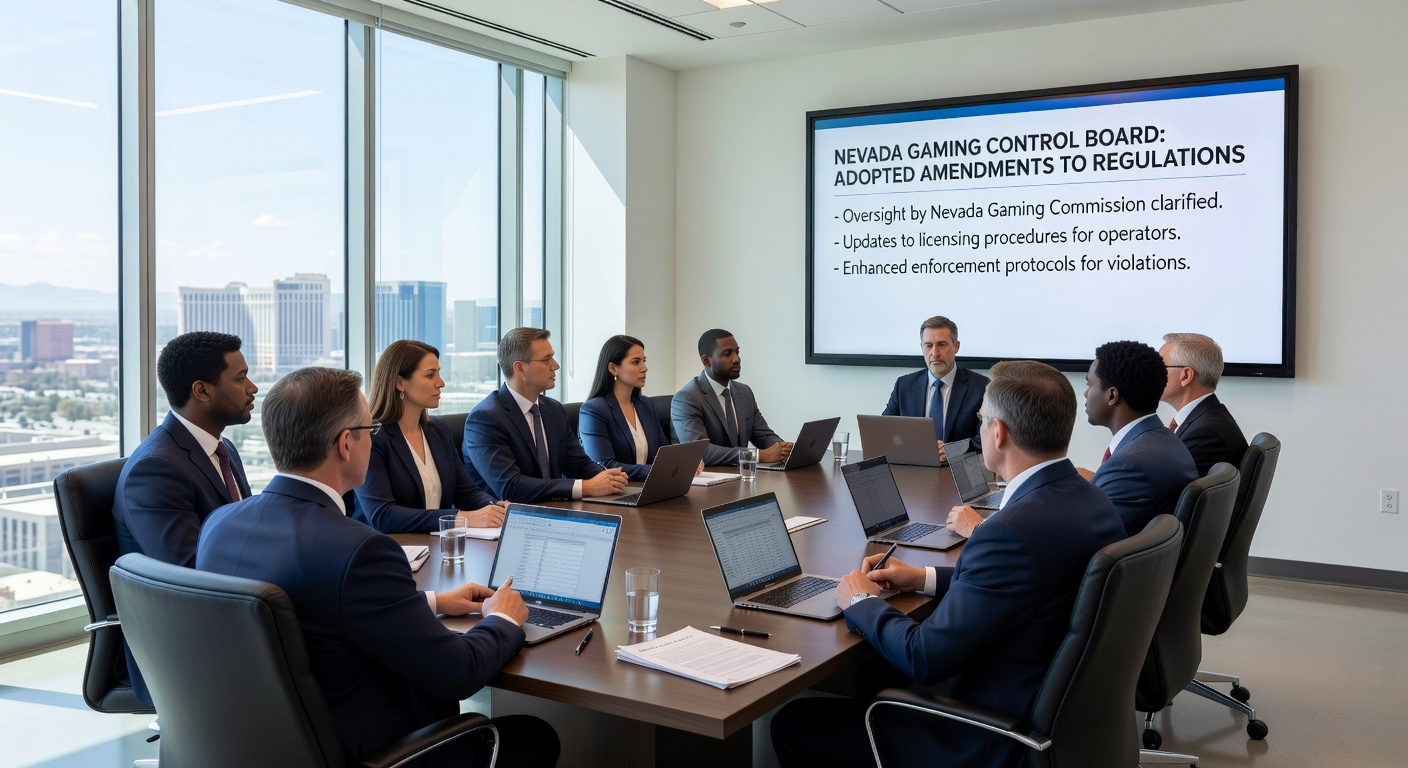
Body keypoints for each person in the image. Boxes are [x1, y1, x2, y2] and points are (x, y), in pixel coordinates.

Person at [196, 367, 558, 768]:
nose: (375, 440)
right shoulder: (360, 550)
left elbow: (315, 609)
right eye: (369, 430)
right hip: (374, 751)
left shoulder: (220, 525)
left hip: (262, 747)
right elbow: (459, 672)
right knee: (536, 735)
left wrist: (433, 601)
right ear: (345, 444)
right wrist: (502, 620)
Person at [771, 361, 1125, 768]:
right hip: (1051, 703)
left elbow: (924, 655)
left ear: (999, 432)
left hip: (986, 735)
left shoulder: (1008, 532)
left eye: (982, 419)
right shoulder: (1092, 499)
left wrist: (860, 602)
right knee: (872, 676)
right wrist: (922, 578)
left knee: (794, 723)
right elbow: (1031, 578)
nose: (979, 427)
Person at [113, 331, 256, 705]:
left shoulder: (222, 450)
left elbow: (246, 536)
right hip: (187, 644)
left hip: (236, 615)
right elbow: (191, 575)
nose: (253, 388)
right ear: (202, 391)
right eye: (240, 378)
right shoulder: (157, 468)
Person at [353, 339, 505, 533]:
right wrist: (458, 518)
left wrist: (496, 508)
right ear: (400, 382)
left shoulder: (438, 429)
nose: (441, 383)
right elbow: (383, 515)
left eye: (439, 373)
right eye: (430, 375)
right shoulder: (372, 438)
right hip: (390, 552)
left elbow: (466, 492)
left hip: (437, 546)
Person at [462, 327, 628, 502]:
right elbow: (511, 487)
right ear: (520, 368)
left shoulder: (553, 409)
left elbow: (578, 465)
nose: (555, 365)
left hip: (554, 511)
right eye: (546, 359)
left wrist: (608, 478)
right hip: (506, 520)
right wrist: (586, 487)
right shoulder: (485, 419)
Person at [1076, 340, 1199, 536]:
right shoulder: (1165, 438)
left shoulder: (1130, 465)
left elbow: (1087, 538)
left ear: (1112, 395)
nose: (1085, 393)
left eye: (1089, 385)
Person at [579, 335, 700, 480]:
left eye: (644, 361)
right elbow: (605, 465)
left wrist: (685, 461)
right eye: (636, 362)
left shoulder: (645, 404)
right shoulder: (593, 410)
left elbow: (664, 451)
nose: (644, 368)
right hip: (613, 494)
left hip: (649, 489)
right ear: (613, 368)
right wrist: (659, 470)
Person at [672, 328, 792, 467]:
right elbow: (701, 452)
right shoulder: (687, 398)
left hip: (742, 477)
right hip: (708, 481)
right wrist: (759, 455)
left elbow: (763, 435)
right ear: (706, 361)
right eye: (727, 354)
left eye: (737, 352)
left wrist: (784, 449)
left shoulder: (744, 392)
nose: (737, 359)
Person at [882, 315, 989, 456]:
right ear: (922, 348)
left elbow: (986, 439)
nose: (934, 353)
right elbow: (884, 432)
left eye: (941, 344)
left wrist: (953, 451)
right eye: (928, 345)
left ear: (956, 347)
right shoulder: (904, 385)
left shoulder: (981, 386)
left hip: (958, 471)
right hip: (913, 467)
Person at [1160, 332, 1249, 476]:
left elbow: (1167, 492)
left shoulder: (1204, 433)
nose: (1153, 374)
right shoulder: (1207, 417)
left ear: (1186, 376)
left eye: (1160, 367)